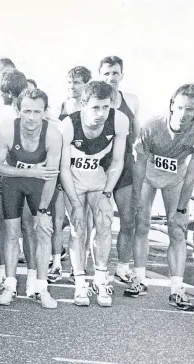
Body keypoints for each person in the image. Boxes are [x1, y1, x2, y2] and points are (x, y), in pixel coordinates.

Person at [124, 84, 194, 312]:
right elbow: (140, 164)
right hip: (148, 174)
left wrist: (182, 211)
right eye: (180, 107)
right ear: (172, 105)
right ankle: (139, 279)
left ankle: (176, 289)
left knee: (177, 230)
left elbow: (192, 175)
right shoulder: (152, 126)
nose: (184, 114)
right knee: (141, 224)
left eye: (190, 109)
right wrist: (136, 199)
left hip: (176, 178)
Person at [59, 81, 129, 307]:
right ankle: (80, 281)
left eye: (105, 107)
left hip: (100, 179)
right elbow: (64, 168)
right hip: (75, 180)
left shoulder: (119, 120)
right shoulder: (69, 125)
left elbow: (118, 161)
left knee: (104, 223)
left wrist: (107, 193)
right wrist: (75, 205)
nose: (101, 114)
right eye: (95, 108)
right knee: (79, 227)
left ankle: (101, 278)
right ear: (83, 105)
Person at [0, 89, 61, 308]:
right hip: (14, 182)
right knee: (11, 233)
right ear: (18, 110)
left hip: (41, 185)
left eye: (37, 112)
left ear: (45, 112)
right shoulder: (5, 130)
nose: (31, 117)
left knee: (42, 231)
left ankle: (41, 288)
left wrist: (42, 211)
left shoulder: (53, 135)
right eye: (27, 111)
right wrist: (31, 171)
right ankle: (10, 285)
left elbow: (50, 176)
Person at [47, 66, 92, 283]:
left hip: (84, 171)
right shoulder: (59, 107)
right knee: (57, 220)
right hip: (61, 170)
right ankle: (56, 263)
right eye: (70, 83)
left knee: (83, 221)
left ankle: (78, 267)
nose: (72, 87)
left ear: (87, 85)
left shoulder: (91, 110)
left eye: (77, 83)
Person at [99, 56, 141, 284]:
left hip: (124, 164)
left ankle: (123, 267)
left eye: (115, 73)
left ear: (122, 75)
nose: (111, 78)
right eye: (106, 73)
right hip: (100, 164)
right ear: (100, 75)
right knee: (98, 221)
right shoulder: (95, 99)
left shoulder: (131, 100)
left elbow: (137, 135)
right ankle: (97, 269)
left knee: (128, 219)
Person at [0, 68, 28, 290]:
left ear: (9, 92)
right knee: (0, 223)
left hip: (16, 175)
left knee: (24, 226)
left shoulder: (24, 112)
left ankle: (32, 276)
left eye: (1, 90)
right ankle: (3, 271)